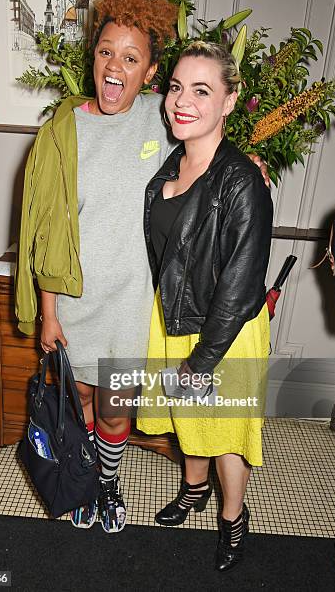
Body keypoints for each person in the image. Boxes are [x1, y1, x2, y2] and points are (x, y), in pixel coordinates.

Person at [15, 0, 269, 534]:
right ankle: (81, 481)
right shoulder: (62, 131)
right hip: (77, 304)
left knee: (116, 411)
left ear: (150, 73)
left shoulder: (160, 116)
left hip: (136, 309)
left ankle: (108, 483)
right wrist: (49, 312)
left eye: (131, 58)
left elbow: (204, 125)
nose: (115, 66)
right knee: (79, 401)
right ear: (94, 56)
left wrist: (244, 158)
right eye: (107, 51)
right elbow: (43, 233)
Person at [136, 41, 273, 572]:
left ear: (230, 101)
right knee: (187, 417)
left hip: (225, 328)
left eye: (201, 90)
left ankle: (233, 518)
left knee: (224, 434)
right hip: (175, 314)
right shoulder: (169, 160)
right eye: (175, 88)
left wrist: (202, 360)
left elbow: (240, 283)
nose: (182, 101)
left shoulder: (241, 179)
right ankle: (194, 490)